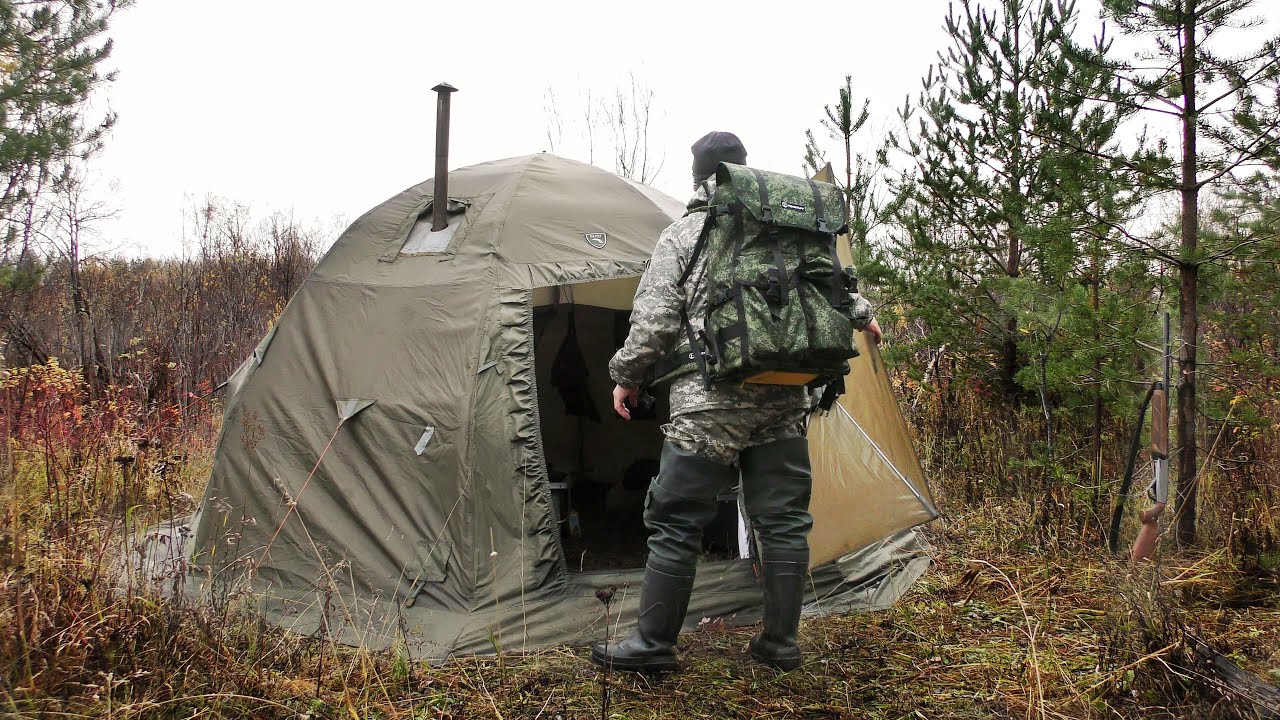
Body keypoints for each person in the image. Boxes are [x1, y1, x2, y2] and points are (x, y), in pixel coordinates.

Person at [591, 131, 881, 673]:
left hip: (710, 401)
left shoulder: (688, 233)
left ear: (699, 175)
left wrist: (626, 376)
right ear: (743, 171)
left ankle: (653, 646)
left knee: (677, 519)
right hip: (786, 396)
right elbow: (837, 287)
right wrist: (866, 317)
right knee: (784, 521)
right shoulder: (789, 229)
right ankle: (779, 645)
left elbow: (653, 321)